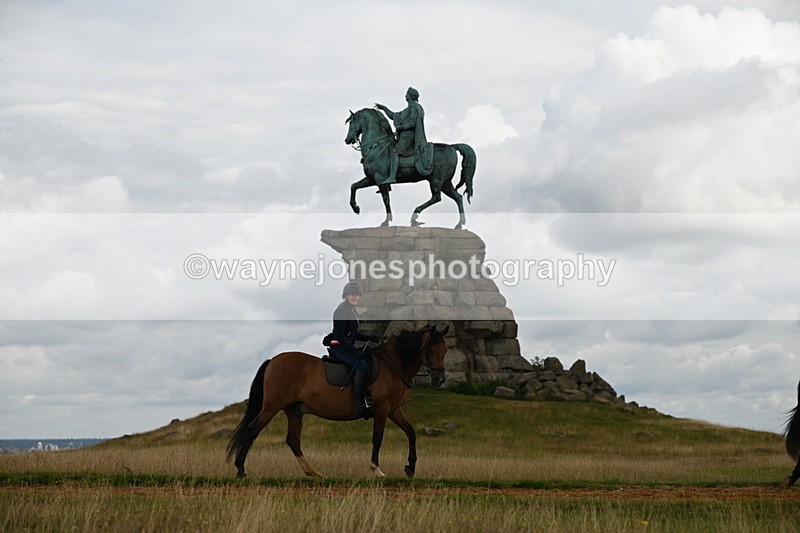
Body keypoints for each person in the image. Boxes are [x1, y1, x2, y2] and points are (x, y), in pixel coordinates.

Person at [324, 282, 378, 419]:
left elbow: (353, 334)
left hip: (346, 345)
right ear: (346, 296)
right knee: (360, 365)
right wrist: (354, 352)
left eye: (357, 295)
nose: (355, 298)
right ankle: (358, 403)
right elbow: (339, 336)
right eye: (352, 295)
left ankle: (366, 395)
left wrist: (370, 337)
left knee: (366, 359)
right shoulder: (341, 311)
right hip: (338, 346)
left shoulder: (352, 311)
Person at [375, 87, 434, 176]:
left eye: (407, 94)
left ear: (411, 96)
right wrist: (384, 108)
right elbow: (394, 116)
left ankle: (392, 177)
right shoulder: (408, 109)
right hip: (404, 137)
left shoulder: (415, 107)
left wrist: (400, 128)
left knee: (394, 152)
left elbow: (413, 123)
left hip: (410, 138)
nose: (405, 96)